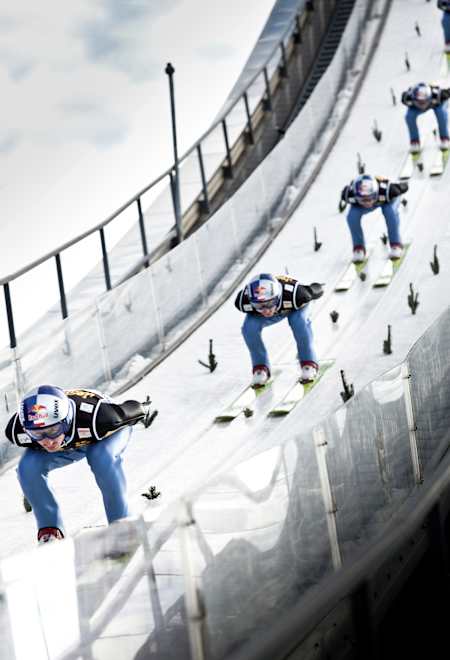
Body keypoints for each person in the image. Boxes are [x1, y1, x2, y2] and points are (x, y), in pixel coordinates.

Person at [5, 384, 157, 544]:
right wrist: (33, 487)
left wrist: (143, 409)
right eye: (36, 434)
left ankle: (121, 524)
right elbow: (36, 454)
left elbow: (130, 410)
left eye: (52, 431)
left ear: (66, 420)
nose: (47, 441)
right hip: (71, 440)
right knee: (27, 468)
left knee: (101, 457)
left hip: (102, 434)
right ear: (27, 430)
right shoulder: (18, 430)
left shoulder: (102, 417)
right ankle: (50, 530)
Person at [235, 273, 323, 387]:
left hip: (294, 307)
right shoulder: (243, 301)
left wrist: (318, 288)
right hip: (279, 308)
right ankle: (260, 367)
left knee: (298, 321)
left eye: (270, 303)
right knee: (249, 328)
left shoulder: (298, 295)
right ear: (251, 301)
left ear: (278, 296)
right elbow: (260, 312)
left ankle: (308, 362)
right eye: (259, 305)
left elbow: (315, 290)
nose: (266, 310)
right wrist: (266, 306)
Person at [340, 174, 408, 263]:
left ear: (375, 193)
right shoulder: (349, 195)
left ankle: (396, 245)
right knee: (352, 217)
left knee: (389, 211)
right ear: (355, 196)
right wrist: (367, 200)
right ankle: (358, 248)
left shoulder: (389, 191)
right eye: (363, 199)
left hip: (386, 200)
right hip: (368, 202)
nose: (367, 203)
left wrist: (402, 187)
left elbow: (404, 187)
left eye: (369, 198)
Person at [401, 82, 450, 153]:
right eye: (420, 102)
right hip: (416, 107)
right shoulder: (408, 98)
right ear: (413, 98)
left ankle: (444, 138)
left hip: (435, 104)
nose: (422, 104)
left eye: (424, 101)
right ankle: (414, 142)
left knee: (441, 113)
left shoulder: (439, 95)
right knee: (409, 117)